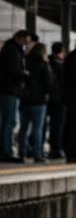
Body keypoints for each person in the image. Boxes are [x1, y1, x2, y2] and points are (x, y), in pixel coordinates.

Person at [1, 30, 32, 162]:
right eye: (26, 41)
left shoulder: (10, 48)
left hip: (8, 90)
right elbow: (13, 70)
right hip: (10, 90)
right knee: (10, 122)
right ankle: (7, 152)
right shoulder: (13, 50)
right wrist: (26, 74)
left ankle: (5, 150)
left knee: (6, 121)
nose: (27, 44)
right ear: (19, 38)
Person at [19, 42, 52, 163]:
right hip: (39, 101)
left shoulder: (25, 63)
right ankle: (37, 154)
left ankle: (21, 153)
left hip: (25, 100)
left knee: (23, 128)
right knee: (38, 128)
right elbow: (49, 83)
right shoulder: (44, 65)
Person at [47, 43, 66, 160]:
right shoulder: (61, 65)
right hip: (59, 98)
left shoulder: (47, 61)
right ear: (61, 51)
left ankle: (50, 149)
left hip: (48, 98)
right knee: (58, 125)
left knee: (48, 125)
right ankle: (56, 149)